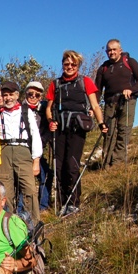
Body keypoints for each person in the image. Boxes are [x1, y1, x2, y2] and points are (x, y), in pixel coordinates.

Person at [45, 50, 108, 216]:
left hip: (77, 129)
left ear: (78, 65)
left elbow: (95, 105)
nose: (70, 67)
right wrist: (51, 121)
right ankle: (61, 203)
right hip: (59, 129)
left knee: (72, 165)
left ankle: (73, 203)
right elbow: (48, 108)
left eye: (73, 64)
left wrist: (102, 123)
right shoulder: (55, 84)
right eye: (67, 64)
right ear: (62, 64)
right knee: (58, 167)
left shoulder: (85, 81)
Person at [0, 81, 43, 223]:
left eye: (11, 94)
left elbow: (35, 135)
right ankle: (9, 223)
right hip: (4, 152)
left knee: (29, 189)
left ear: (17, 95)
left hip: (23, 151)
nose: (8, 98)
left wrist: (36, 160)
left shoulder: (26, 111)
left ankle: (33, 223)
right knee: (6, 190)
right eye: (5, 95)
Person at [95, 38, 138, 167]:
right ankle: (106, 164)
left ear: (120, 50)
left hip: (128, 101)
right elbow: (97, 90)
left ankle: (117, 164)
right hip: (110, 102)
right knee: (108, 132)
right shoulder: (103, 68)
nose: (111, 52)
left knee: (124, 131)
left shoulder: (130, 62)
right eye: (109, 50)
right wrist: (93, 106)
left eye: (114, 49)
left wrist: (131, 90)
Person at [23, 81, 53, 213]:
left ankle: (43, 206)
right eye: (30, 93)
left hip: (38, 151)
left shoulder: (46, 109)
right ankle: (22, 207)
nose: (33, 96)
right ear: (26, 94)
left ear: (41, 96)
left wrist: (41, 143)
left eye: (37, 94)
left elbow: (48, 129)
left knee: (46, 175)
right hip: (22, 150)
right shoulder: (19, 108)